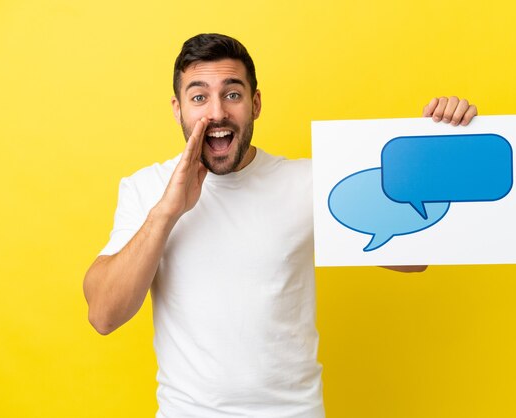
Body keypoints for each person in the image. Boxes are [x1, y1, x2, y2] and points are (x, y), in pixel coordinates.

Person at [83, 33, 477, 418]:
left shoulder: (307, 182)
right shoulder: (145, 189)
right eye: (199, 96)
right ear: (177, 108)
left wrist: (433, 146)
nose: (217, 112)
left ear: (255, 103)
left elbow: (413, 260)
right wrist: (167, 212)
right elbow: (103, 315)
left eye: (232, 94)